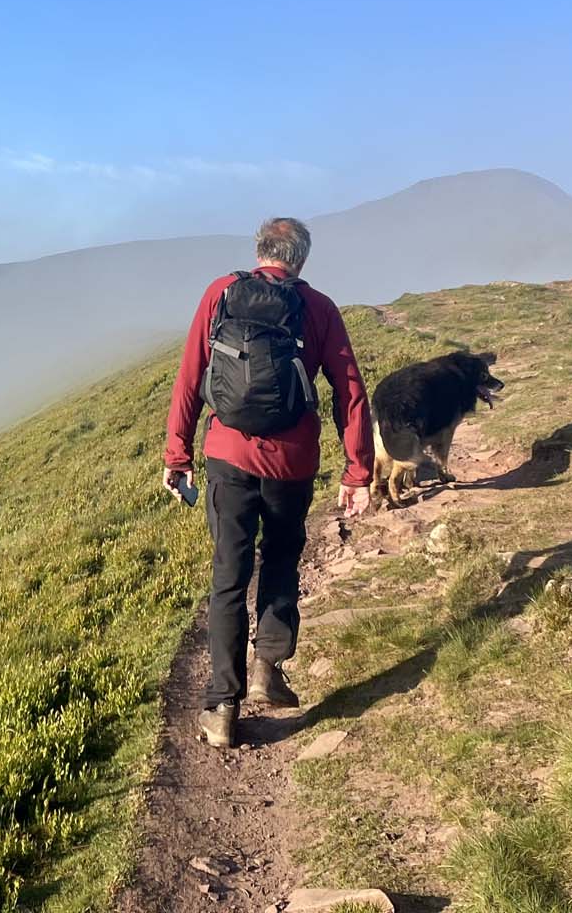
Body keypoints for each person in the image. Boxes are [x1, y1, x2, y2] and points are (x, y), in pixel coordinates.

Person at [163, 216, 373, 748]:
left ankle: (220, 707)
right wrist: (358, 472)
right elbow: (350, 393)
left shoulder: (222, 292)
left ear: (260, 251)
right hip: (292, 465)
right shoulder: (318, 308)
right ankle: (266, 668)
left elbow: (191, 375)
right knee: (280, 561)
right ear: (300, 259)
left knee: (228, 578)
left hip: (228, 457)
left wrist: (178, 455)